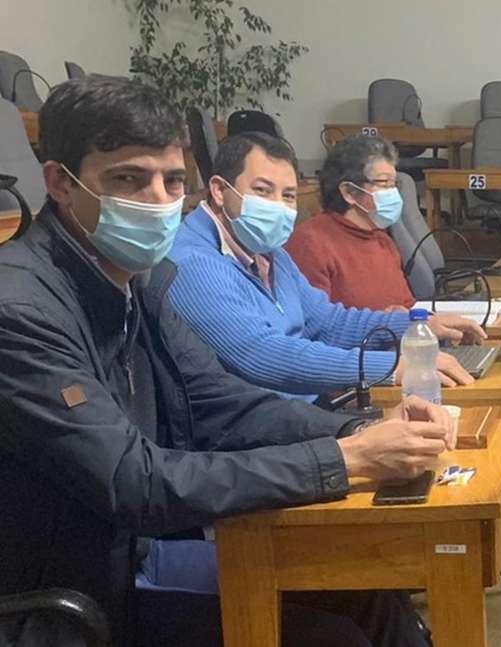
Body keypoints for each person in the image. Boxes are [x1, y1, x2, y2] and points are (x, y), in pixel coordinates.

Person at [0, 76, 447, 646]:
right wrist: (346, 460)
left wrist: (357, 430)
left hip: (142, 555)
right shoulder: (19, 309)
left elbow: (222, 402)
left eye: (171, 180)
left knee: (369, 588)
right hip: (78, 599)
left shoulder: (140, 281)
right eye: (128, 179)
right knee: (331, 639)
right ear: (61, 183)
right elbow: (135, 481)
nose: (158, 200)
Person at [167, 131, 481, 400]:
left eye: (288, 195)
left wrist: (416, 328)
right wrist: (390, 367)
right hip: (257, 434)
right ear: (219, 191)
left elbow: (328, 322)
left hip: (303, 412)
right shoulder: (192, 263)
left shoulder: (268, 252)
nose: (278, 205)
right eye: (262, 191)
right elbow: (261, 354)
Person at [285, 135, 416, 311]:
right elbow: (315, 319)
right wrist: (387, 321)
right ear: (349, 192)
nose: (393, 193)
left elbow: (407, 304)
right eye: (384, 183)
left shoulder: (382, 240)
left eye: (394, 185)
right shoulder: (309, 243)